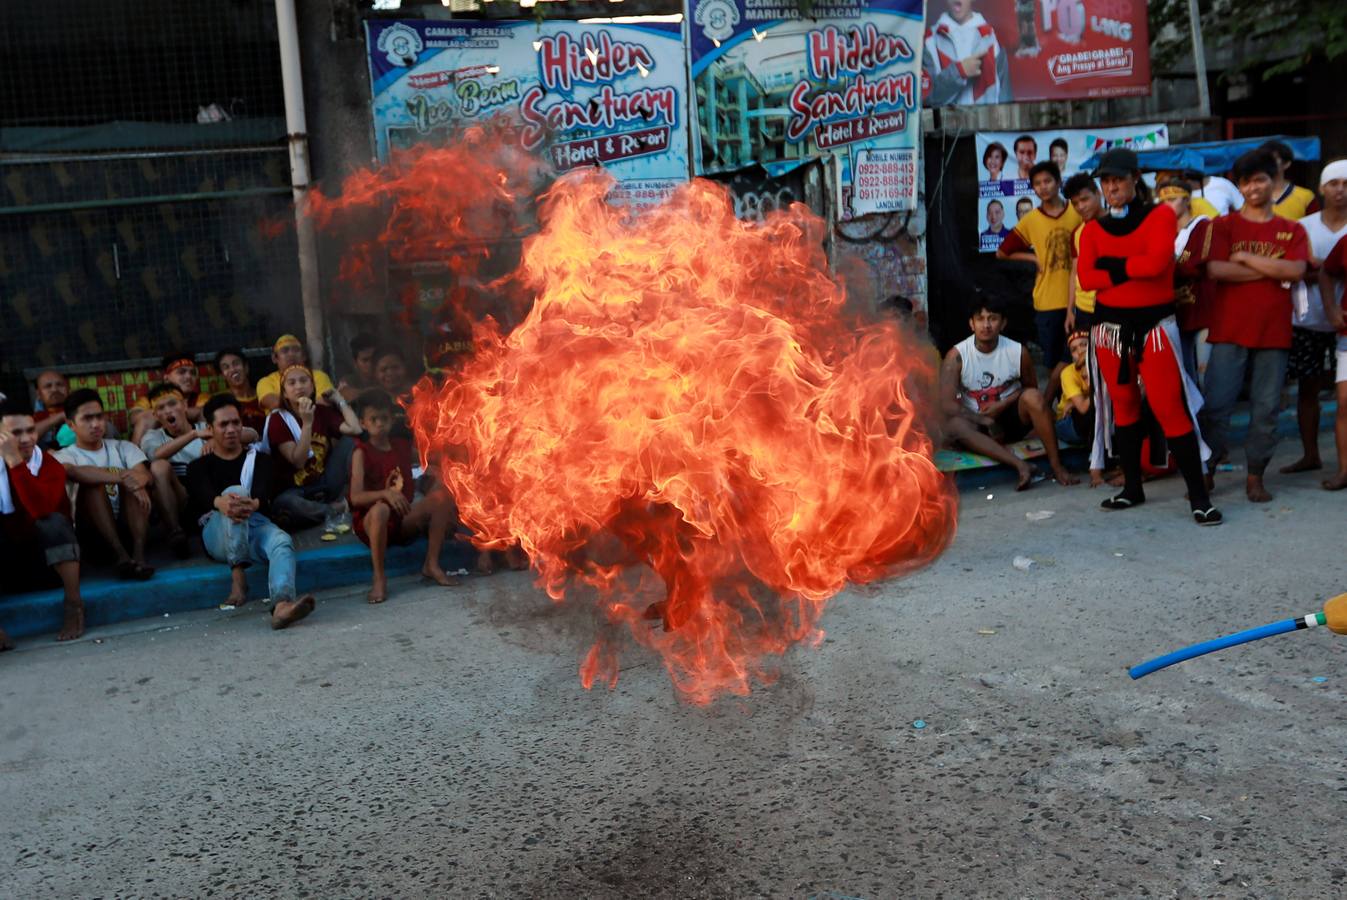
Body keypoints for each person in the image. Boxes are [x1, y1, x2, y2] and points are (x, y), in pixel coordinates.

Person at [1076, 148, 1220, 525]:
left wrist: (1112, 265)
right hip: (1109, 332)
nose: (1112, 187)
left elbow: (1158, 264)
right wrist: (1131, 267)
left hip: (1155, 328)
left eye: (1118, 180)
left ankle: (1199, 498)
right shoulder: (1091, 229)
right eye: (1106, 181)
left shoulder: (1159, 216)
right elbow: (1087, 279)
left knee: (1170, 408)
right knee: (1123, 408)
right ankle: (1132, 489)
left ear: (1133, 180)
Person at [1200, 148, 1310, 503]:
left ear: (1272, 182)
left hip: (1274, 332)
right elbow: (1216, 270)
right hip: (1229, 329)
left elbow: (1296, 271)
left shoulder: (1291, 230)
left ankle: (1255, 476)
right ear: (1239, 185)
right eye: (1246, 182)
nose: (1253, 188)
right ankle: (1209, 468)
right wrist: (1271, 270)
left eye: (1260, 179)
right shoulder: (1223, 226)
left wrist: (1246, 258)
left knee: (1266, 410)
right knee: (1216, 405)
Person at [188, 395, 315, 629]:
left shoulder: (260, 460)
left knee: (281, 542)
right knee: (235, 494)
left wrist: (251, 504)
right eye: (223, 424)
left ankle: (282, 605)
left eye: (236, 423)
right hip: (217, 534)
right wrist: (221, 502)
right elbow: (204, 496)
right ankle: (238, 576)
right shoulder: (198, 466)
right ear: (209, 429)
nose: (231, 429)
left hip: (254, 523)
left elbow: (261, 495)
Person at [940, 295, 1077, 488]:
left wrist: (1003, 404)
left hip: (1010, 420)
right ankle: (1020, 465)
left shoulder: (1017, 352)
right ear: (971, 324)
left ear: (1003, 323)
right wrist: (982, 419)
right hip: (976, 424)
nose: (986, 325)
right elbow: (946, 404)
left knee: (1034, 399)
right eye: (980, 319)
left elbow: (1031, 389)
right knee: (954, 425)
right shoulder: (957, 356)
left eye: (993, 318)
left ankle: (1057, 465)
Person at [348, 390, 459, 604]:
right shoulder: (360, 452)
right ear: (363, 423)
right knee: (380, 509)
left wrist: (453, 457)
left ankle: (431, 564)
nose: (380, 424)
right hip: (372, 523)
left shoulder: (401, 445)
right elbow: (355, 497)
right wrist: (385, 494)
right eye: (374, 419)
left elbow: (430, 458)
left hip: (402, 518)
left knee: (441, 497)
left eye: (384, 418)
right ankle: (379, 578)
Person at [1282, 161, 1347, 477]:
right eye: (1333, 183)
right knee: (1307, 389)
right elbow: (1291, 268)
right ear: (1322, 188)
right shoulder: (1303, 227)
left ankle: (1342, 462)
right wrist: (1319, 269)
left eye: (1346, 184)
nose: (1340, 190)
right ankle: (1311, 455)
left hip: (1344, 324)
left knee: (1344, 395)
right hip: (1307, 319)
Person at [0, 401, 85, 644]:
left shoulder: (49, 465)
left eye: (31, 430)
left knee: (53, 521)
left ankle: (74, 604)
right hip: (8, 569)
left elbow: (41, 510)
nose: (26, 439)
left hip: (48, 566)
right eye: (16, 433)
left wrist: (16, 463)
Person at [53, 389, 156, 578]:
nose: (96, 424)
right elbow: (73, 471)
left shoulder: (123, 447)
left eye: (99, 417)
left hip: (131, 528)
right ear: (71, 425)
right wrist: (124, 479)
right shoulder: (64, 455)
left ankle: (139, 555)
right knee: (93, 486)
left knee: (136, 486)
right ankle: (120, 556)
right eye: (87, 419)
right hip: (93, 536)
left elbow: (145, 476)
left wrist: (135, 482)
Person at [997, 161, 1083, 369]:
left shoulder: (1077, 211)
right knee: (1053, 361)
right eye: (1037, 183)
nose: (1043, 187)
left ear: (1058, 182)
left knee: (1081, 358)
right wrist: (1034, 259)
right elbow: (1002, 253)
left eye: (1047, 181)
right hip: (1048, 301)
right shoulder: (1031, 220)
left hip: (1081, 298)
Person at [265, 364, 363, 529]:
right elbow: (298, 461)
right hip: (294, 491)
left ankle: (336, 504)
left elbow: (355, 429)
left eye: (304, 381)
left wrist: (339, 400)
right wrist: (307, 423)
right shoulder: (278, 420)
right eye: (292, 383)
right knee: (286, 504)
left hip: (325, 484)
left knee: (351, 441)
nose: (299, 386)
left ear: (312, 387)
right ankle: (335, 509)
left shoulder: (322, 412)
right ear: (284, 393)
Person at [139, 383, 209, 559]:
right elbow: (155, 455)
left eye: (173, 404)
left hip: (210, 498)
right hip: (180, 502)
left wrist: (217, 439)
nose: (168, 410)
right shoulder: (152, 436)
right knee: (159, 466)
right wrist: (192, 435)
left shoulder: (206, 427)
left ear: (185, 405)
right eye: (161, 408)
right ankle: (175, 532)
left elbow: (250, 434)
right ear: (155, 415)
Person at [1158, 178, 1216, 384]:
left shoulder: (1204, 226)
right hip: (1176, 313)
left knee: (1204, 375)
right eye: (1163, 201)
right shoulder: (1163, 234)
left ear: (1186, 199)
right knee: (1184, 378)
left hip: (1202, 309)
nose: (1168, 205)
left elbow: (1201, 265)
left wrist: (1168, 267)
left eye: (1173, 199)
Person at [922, 0, 1012, 107]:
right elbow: (926, 98)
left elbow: (1006, 99)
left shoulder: (993, 37)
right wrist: (959, 72)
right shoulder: (930, 40)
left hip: (989, 121)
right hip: (945, 122)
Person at [130, 353, 208, 444]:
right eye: (181, 372)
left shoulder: (202, 397)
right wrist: (175, 412)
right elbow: (134, 418)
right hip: (160, 444)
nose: (188, 376)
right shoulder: (148, 400)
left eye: (193, 373)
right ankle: (138, 457)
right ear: (166, 378)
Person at [1064, 172, 1105, 334]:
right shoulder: (1077, 233)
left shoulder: (1118, 225)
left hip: (1112, 306)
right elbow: (1074, 272)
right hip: (1083, 309)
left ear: (1098, 194)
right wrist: (1070, 310)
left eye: (1085, 200)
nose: (1080, 207)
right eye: (1075, 203)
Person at [256, 335, 336, 412]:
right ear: (274, 358)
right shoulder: (266, 382)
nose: (291, 354)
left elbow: (323, 404)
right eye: (285, 350)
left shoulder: (319, 376)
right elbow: (274, 403)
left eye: (296, 350)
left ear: (304, 356)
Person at [1260, 140, 1318, 221]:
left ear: (1286, 163)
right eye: (1264, 159)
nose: (1268, 163)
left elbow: (1314, 228)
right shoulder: (1251, 196)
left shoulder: (1306, 197)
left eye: (1272, 159)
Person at [214, 348, 266, 433]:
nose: (233, 370)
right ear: (222, 375)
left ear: (246, 368)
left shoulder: (263, 394)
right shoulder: (220, 401)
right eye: (226, 367)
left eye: (236, 364)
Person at [31, 370, 71, 448]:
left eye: (59, 385)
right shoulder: (35, 418)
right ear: (39, 394)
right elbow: (28, 436)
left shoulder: (81, 408)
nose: (54, 389)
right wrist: (61, 416)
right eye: (48, 386)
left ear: (68, 389)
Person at [338, 332, 380, 402]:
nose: (371, 363)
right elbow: (346, 394)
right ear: (355, 363)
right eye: (365, 360)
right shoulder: (348, 380)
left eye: (375, 358)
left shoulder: (389, 377)